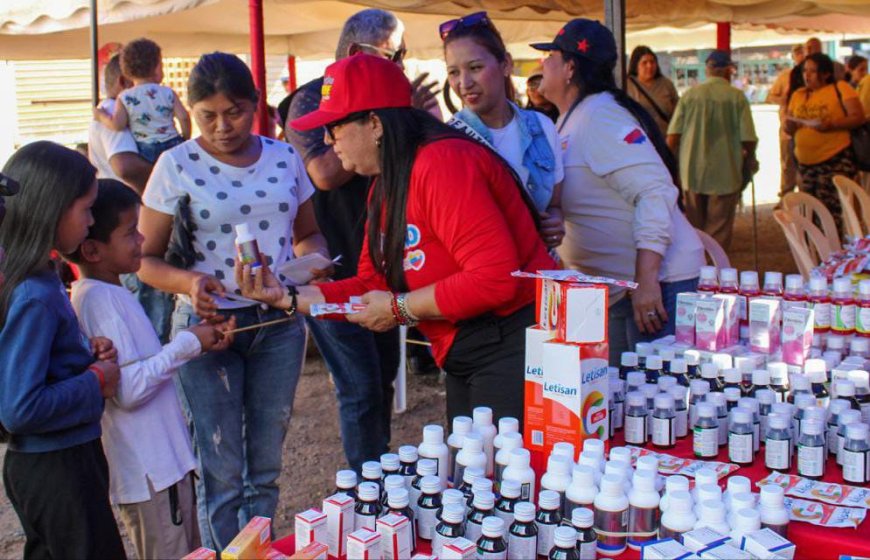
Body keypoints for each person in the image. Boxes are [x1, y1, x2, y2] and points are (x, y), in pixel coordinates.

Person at [246, 53, 552, 426]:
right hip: (471, 347)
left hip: (511, 343)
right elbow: (371, 283)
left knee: (497, 476)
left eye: (335, 127)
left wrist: (399, 308)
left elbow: (495, 278)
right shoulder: (387, 183)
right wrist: (287, 297)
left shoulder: (442, 164)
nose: (327, 141)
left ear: (375, 124)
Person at [137, 52, 325, 550]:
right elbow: (143, 258)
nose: (223, 126)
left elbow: (309, 236)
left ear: (256, 106)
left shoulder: (285, 157)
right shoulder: (174, 164)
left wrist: (312, 265)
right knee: (220, 470)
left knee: (265, 465)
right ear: (190, 113)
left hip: (279, 324)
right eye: (208, 115)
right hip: (209, 330)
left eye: (235, 111)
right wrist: (189, 283)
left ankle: (256, 551)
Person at [282, 9, 439, 472]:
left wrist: (405, 117)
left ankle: (379, 471)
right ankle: (365, 484)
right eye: (395, 55)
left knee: (384, 377)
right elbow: (325, 174)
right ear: (356, 53)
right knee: (360, 386)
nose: (403, 64)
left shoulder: (392, 101)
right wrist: (382, 121)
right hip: (332, 268)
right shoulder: (312, 99)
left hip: (384, 265)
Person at [68, 179, 233, 560]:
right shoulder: (96, 301)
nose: (142, 240)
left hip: (164, 471)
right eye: (130, 233)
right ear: (92, 249)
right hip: (150, 477)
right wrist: (188, 343)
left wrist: (198, 341)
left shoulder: (111, 292)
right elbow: (126, 389)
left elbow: (141, 363)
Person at [533, 19, 704, 363]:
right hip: (623, 290)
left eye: (549, 55)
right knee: (625, 398)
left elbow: (654, 192)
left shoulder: (600, 117)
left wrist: (646, 281)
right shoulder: (572, 118)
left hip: (658, 284)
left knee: (650, 400)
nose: (542, 63)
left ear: (569, 68)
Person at [0, 142, 126, 560]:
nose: (91, 222)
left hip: (54, 463)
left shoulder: (36, 278)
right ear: (52, 210)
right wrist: (95, 380)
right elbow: (20, 407)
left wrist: (79, 354)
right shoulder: (34, 292)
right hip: (58, 467)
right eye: (85, 209)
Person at [441, 11, 564, 248]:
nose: (464, 83)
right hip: (486, 278)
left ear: (506, 64)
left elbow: (555, 205)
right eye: (453, 72)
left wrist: (555, 221)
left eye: (475, 67)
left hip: (539, 272)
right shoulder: (448, 141)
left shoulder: (542, 128)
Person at [667, 49, 758, 251]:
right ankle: (714, 273)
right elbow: (748, 138)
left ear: (707, 70)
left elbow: (673, 136)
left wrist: (668, 165)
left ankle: (695, 270)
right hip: (725, 172)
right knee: (719, 229)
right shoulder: (736, 97)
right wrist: (750, 159)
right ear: (728, 71)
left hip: (692, 171)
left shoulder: (690, 95)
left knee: (693, 229)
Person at [786, 52, 865, 235]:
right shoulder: (798, 94)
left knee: (830, 211)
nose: (808, 75)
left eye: (813, 71)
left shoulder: (840, 88)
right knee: (808, 210)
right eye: (805, 71)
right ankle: (815, 248)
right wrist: (790, 125)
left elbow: (857, 117)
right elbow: (789, 128)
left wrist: (831, 124)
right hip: (806, 163)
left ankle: (832, 250)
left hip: (834, 159)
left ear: (826, 73)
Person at [94, 38, 191, 163]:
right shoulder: (168, 93)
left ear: (126, 71)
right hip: (172, 143)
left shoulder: (124, 98)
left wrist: (101, 116)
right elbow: (183, 117)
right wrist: (185, 138)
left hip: (145, 149)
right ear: (157, 69)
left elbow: (118, 124)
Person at [88, 54, 154, 193]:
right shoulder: (112, 110)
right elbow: (125, 166)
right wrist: (171, 172)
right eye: (146, 84)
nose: (154, 92)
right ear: (123, 82)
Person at [766, 44, 805, 200]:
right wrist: (782, 99)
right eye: (797, 52)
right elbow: (770, 97)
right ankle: (787, 198)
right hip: (788, 131)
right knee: (788, 165)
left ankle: (806, 199)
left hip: (810, 132)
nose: (801, 55)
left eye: (803, 52)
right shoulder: (785, 76)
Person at [626, 45, 680, 138]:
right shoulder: (627, 85)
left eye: (652, 62)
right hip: (640, 141)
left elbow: (678, 114)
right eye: (644, 63)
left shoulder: (666, 84)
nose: (649, 66)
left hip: (665, 141)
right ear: (636, 66)